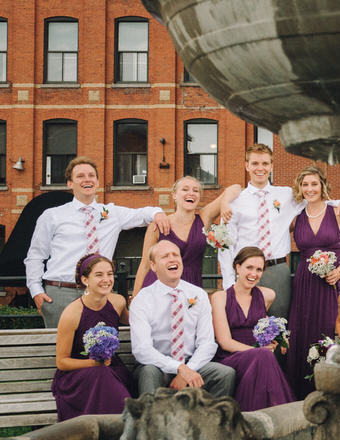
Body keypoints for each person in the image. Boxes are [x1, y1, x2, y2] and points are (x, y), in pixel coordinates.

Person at [25, 157, 169, 327]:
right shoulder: (52, 216)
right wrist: (35, 290)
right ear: (70, 183)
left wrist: (158, 213)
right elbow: (35, 256)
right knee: (61, 349)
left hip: (100, 292)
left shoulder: (112, 213)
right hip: (61, 293)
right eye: (80, 176)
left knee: (100, 346)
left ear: (97, 181)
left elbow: (145, 213)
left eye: (91, 175)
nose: (87, 179)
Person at [217, 144, 340, 318]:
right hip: (245, 271)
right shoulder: (235, 201)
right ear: (247, 166)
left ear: (271, 166)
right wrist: (228, 284)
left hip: (278, 270)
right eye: (255, 163)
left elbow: (315, 200)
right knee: (246, 323)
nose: (260, 168)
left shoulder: (286, 195)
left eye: (265, 164)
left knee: (280, 326)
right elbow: (225, 246)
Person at [287, 166, 340, 397]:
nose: (310, 189)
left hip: (330, 284)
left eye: (314, 184)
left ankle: (331, 387)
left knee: (329, 328)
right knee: (302, 331)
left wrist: (339, 271)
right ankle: (301, 391)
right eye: (305, 185)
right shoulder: (295, 218)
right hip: (304, 284)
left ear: (322, 186)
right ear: (300, 188)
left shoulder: (338, 213)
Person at [130, 240, 235, 397]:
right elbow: (142, 350)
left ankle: (208, 420)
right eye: (165, 256)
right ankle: (152, 421)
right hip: (157, 366)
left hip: (191, 363)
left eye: (176, 255)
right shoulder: (143, 299)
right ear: (153, 266)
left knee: (225, 374)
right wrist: (179, 368)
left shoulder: (198, 294)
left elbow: (207, 343)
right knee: (149, 372)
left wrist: (188, 369)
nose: (173, 259)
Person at [210, 246, 296, 410]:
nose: (254, 274)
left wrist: (278, 340)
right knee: (263, 356)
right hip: (230, 355)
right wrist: (256, 351)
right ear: (237, 267)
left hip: (259, 356)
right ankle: (271, 411)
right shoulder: (220, 298)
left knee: (263, 357)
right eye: (249, 267)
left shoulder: (267, 295)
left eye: (259, 269)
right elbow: (224, 342)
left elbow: (266, 327)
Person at [51, 254, 134, 420]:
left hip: (112, 369)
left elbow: (135, 320)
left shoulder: (118, 302)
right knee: (101, 374)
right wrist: (94, 363)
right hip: (78, 375)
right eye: (99, 275)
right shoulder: (72, 313)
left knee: (106, 375)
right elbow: (62, 362)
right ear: (85, 280)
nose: (107, 279)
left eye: (110, 274)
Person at [132, 175, 241, 297]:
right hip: (158, 288)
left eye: (196, 191)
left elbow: (236, 188)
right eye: (185, 189)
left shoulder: (204, 218)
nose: (191, 193)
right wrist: (135, 298)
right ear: (174, 195)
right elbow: (145, 265)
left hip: (191, 287)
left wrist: (225, 203)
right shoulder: (158, 225)